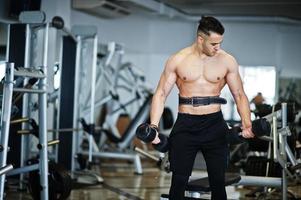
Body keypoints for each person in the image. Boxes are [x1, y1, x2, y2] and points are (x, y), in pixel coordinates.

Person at [149, 16, 254, 200]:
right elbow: (160, 94)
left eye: (220, 42)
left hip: (215, 124)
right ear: (200, 39)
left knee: (218, 182)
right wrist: (154, 127)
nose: (218, 47)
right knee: (178, 181)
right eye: (213, 43)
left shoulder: (227, 61)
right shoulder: (178, 60)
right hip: (186, 124)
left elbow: (239, 95)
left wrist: (247, 123)